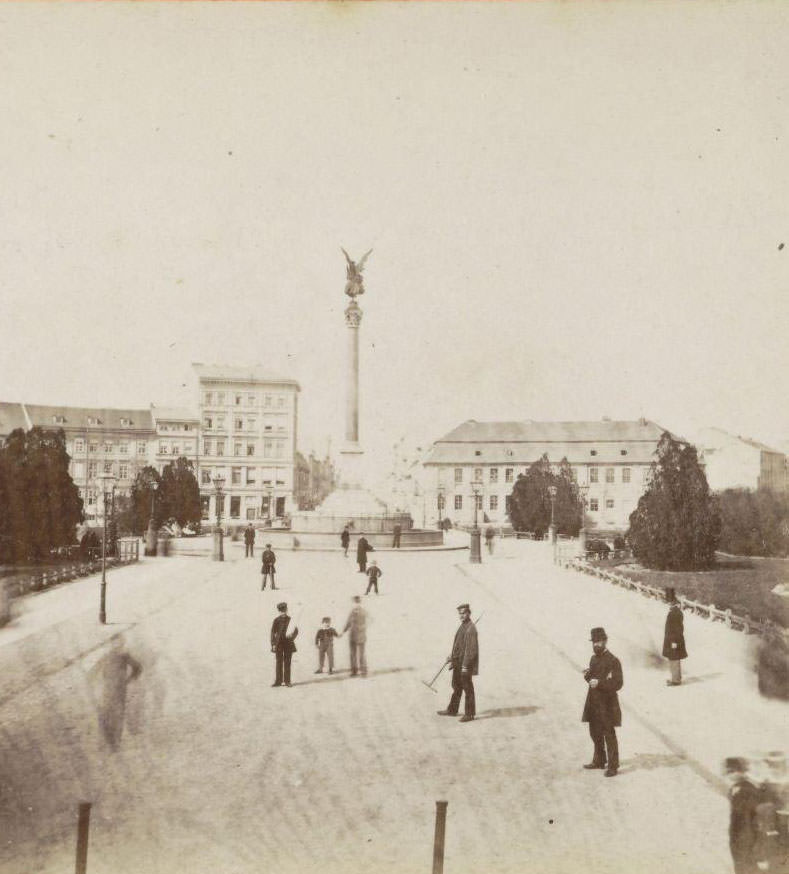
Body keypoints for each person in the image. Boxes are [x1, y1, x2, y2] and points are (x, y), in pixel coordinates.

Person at [582, 627, 623, 777]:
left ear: (605, 641)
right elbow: (592, 678)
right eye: (594, 642)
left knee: (608, 733)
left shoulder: (613, 660)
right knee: (594, 732)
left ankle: (613, 765)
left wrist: (599, 683)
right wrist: (587, 676)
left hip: (607, 703)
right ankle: (599, 760)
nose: (596, 645)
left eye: (599, 642)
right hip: (593, 701)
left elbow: (618, 683)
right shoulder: (593, 658)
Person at [437, 603, 478, 723]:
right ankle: (452, 710)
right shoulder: (463, 626)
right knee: (457, 686)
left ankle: (470, 714)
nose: (461, 615)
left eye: (464, 613)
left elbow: (471, 650)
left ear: (469, 613)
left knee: (467, 688)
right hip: (457, 662)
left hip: (465, 664)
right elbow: (459, 645)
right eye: (460, 613)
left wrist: (465, 665)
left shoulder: (471, 628)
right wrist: (452, 656)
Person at [725, 757, 762, 874]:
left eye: (732, 771)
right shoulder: (734, 788)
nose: (729, 775)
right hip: (737, 837)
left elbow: (751, 817)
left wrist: (753, 842)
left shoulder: (749, 789)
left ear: (741, 771)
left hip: (747, 837)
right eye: (728, 772)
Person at [663, 587, 687, 686]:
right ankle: (676, 677)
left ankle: (676, 680)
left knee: (674, 658)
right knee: (673, 658)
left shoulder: (675, 613)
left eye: (669, 602)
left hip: (674, 640)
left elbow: (678, 629)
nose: (668, 604)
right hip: (672, 639)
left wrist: (674, 642)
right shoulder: (675, 611)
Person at [270, 602, 298, 687]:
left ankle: (287, 681)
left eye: (285, 610)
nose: (283, 612)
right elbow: (272, 632)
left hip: (288, 643)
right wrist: (273, 644)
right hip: (278, 644)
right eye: (281, 611)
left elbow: (296, 631)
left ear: (287, 610)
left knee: (287, 662)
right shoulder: (276, 620)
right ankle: (278, 681)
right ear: (279, 611)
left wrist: (292, 636)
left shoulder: (290, 620)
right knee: (278, 662)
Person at [343, 595, 368, 677]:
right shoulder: (352, 612)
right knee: (353, 654)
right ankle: (354, 671)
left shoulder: (363, 611)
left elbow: (370, 620)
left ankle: (363, 671)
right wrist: (343, 631)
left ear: (359, 602)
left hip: (361, 635)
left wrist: (363, 627)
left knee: (361, 654)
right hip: (352, 635)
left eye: (357, 602)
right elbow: (348, 622)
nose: (355, 604)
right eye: (354, 603)